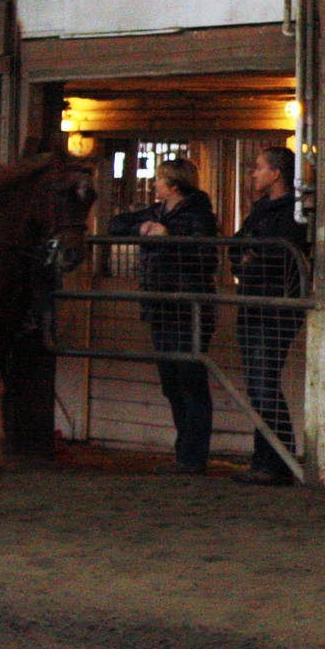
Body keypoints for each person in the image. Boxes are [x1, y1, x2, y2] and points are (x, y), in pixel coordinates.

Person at [110, 159, 220, 474]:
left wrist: (167, 237)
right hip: (162, 307)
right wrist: (143, 229)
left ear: (172, 186)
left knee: (189, 382)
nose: (154, 184)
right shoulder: (159, 213)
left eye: (159, 179)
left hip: (187, 309)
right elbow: (116, 224)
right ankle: (185, 452)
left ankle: (191, 456)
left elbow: (205, 256)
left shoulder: (198, 217)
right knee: (173, 383)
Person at [230, 146, 309, 486]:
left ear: (276, 174)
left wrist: (251, 257)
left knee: (263, 383)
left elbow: (278, 256)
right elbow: (237, 245)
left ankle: (276, 460)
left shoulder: (291, 212)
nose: (254, 174)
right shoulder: (265, 209)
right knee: (259, 384)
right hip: (256, 301)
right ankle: (268, 458)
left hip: (273, 306)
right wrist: (247, 256)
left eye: (259, 168)